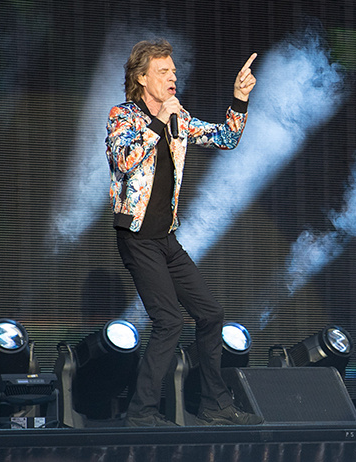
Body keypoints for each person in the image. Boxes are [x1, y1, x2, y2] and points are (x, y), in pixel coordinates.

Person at [104, 39, 262, 427]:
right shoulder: (123, 116)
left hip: (165, 238)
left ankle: (214, 405)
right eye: (163, 72)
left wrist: (239, 99)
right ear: (142, 78)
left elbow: (225, 138)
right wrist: (159, 122)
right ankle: (141, 413)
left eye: (174, 71)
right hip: (137, 237)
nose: (173, 78)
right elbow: (124, 160)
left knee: (210, 313)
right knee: (170, 321)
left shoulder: (179, 118)